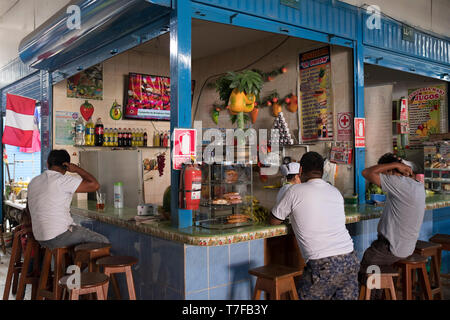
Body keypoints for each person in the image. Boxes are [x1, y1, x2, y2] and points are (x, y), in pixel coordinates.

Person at [270, 152, 359, 300]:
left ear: (300, 170)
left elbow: (274, 220)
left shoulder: (294, 191)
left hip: (324, 265)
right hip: (350, 259)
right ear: (323, 171)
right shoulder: (335, 192)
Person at [359, 153, 426, 286]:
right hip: (406, 247)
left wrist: (396, 165)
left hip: (392, 248)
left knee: (368, 261)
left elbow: (366, 172)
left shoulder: (399, 183)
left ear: (391, 170)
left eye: (385, 172)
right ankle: (385, 290)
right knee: (375, 263)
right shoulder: (416, 185)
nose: (384, 176)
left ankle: (372, 294)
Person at [27, 149, 109, 249]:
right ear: (66, 166)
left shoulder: (33, 181)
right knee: (103, 242)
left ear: (48, 164)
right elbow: (95, 185)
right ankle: (80, 264)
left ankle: (72, 264)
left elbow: (28, 208)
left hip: (40, 238)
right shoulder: (62, 180)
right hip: (59, 236)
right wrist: (77, 169)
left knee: (78, 233)